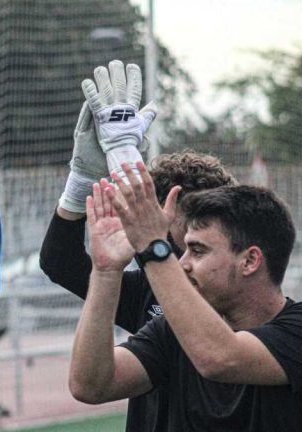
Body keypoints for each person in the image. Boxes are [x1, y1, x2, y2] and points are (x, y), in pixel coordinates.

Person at [68, 163, 302, 431]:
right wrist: (106, 271)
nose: (182, 262)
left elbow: (220, 358)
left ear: (250, 261)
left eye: (198, 251)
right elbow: (91, 385)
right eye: (183, 249)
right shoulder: (174, 333)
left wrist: (153, 249)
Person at [40, 60, 237, 431]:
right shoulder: (150, 285)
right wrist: (81, 180)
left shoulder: (229, 286)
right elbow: (59, 261)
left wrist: (124, 155)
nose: (144, 211)